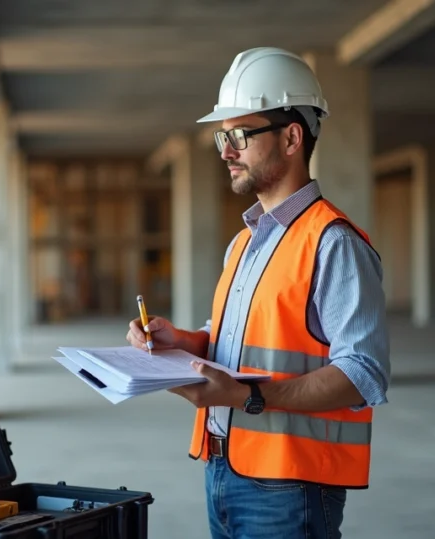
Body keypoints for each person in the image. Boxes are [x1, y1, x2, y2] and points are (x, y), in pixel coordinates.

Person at [126, 47, 391, 539]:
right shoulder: (245, 242)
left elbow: (363, 373)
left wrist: (248, 397)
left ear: (292, 137)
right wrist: (182, 341)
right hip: (226, 469)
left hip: (291, 486)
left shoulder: (333, 243)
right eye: (222, 137)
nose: (226, 150)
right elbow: (236, 338)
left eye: (240, 136)